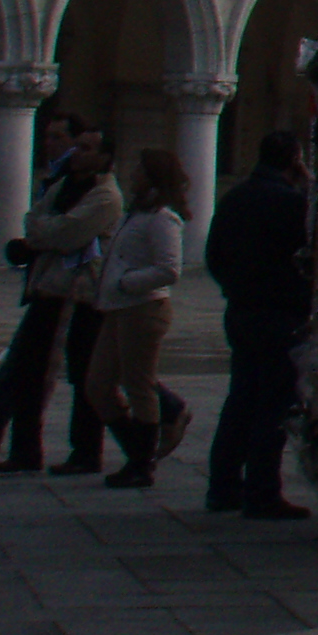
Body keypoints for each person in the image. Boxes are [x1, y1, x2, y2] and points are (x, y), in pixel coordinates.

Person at [0, 115, 113, 473]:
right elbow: (35, 220)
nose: (52, 144)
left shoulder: (103, 195)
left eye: (62, 138)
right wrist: (44, 235)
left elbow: (66, 233)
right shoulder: (61, 183)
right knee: (28, 370)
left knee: (89, 374)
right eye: (49, 137)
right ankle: (22, 449)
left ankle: (93, 449)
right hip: (48, 288)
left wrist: (43, 236)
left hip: (81, 295)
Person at [202, 127, 313, 518]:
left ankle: (223, 485)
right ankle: (262, 490)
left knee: (241, 398)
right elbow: (311, 254)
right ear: (295, 161)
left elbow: (213, 255)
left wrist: (236, 287)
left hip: (242, 310)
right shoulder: (291, 204)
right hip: (280, 313)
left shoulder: (235, 198)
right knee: (274, 404)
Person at [86, 145, 189, 489]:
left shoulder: (162, 218)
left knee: (138, 385)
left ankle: (141, 463)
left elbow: (169, 269)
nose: (133, 175)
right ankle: (137, 450)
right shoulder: (135, 214)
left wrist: (128, 283)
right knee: (98, 384)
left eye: (140, 170)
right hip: (117, 308)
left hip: (143, 308)